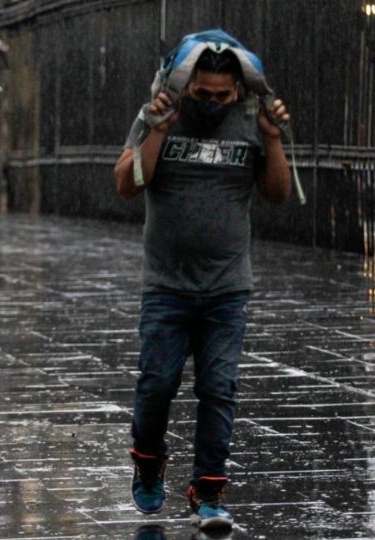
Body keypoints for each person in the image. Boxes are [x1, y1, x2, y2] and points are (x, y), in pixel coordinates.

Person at [113, 46, 292, 529]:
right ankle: (148, 461)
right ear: (185, 85)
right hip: (166, 285)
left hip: (227, 287)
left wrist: (273, 141)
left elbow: (277, 195)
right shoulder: (157, 115)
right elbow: (127, 183)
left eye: (222, 94)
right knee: (157, 384)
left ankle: (208, 491)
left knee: (219, 388)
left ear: (237, 90)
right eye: (202, 93)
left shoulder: (253, 122)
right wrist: (158, 130)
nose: (212, 101)